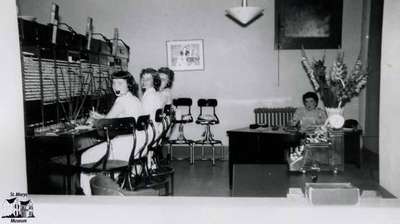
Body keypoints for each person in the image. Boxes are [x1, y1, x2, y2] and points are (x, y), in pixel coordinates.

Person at [80, 71, 145, 195]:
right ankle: (105, 186)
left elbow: (106, 123)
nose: (116, 87)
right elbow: (115, 118)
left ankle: (88, 194)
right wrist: (99, 116)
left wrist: (92, 121)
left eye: (120, 83)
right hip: (136, 145)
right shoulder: (134, 99)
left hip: (124, 145)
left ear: (128, 85)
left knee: (85, 156)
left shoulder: (121, 100)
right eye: (114, 83)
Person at [139, 68, 164, 169]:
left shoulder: (149, 96)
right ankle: (148, 164)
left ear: (155, 81)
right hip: (155, 131)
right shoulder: (153, 93)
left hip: (149, 132)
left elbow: (142, 117)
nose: (144, 81)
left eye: (148, 79)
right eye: (143, 78)